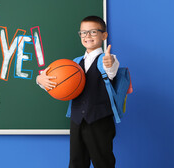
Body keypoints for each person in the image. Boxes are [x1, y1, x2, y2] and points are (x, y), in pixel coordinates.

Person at [36, 16, 119, 168]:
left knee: (103, 162)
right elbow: (56, 81)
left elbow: (111, 70)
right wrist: (40, 80)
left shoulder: (109, 58)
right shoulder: (74, 63)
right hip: (76, 120)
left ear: (104, 35)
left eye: (93, 32)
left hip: (99, 120)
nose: (87, 36)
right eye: (83, 33)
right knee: (76, 162)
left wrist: (110, 63)